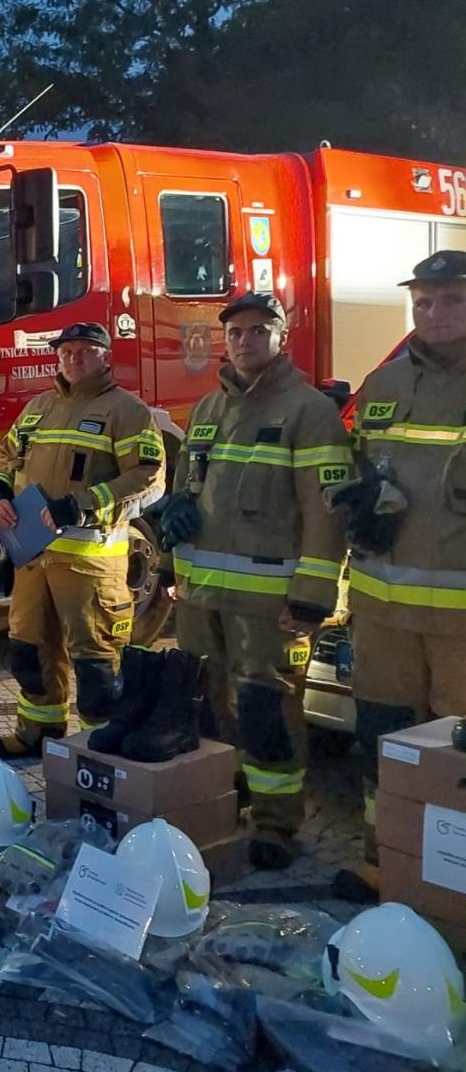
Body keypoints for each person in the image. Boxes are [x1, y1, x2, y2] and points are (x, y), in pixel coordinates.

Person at [162, 294, 351, 871]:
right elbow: (189, 483)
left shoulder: (308, 411)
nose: (245, 341)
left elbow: (328, 513)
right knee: (204, 704)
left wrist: (313, 598)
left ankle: (275, 823)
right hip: (201, 597)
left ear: (282, 337)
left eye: (258, 331)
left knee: (266, 708)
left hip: (269, 603)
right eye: (236, 332)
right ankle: (225, 794)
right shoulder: (206, 408)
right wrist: (176, 514)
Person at [331, 250, 466, 900]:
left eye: (450, 300)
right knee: (380, 739)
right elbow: (353, 466)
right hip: (382, 612)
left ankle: (451, 880)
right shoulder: (381, 387)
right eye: (423, 301)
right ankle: (384, 859)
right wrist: (359, 499)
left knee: (457, 759)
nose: (433, 313)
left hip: (459, 625)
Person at [0, 321, 165, 758]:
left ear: (105, 357)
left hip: (90, 563)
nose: (73, 358)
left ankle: (98, 748)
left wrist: (83, 502)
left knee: (96, 662)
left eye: (85, 351)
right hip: (34, 558)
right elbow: (8, 454)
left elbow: (149, 478)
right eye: (66, 352)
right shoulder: (38, 407)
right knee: (29, 650)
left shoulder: (127, 410)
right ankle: (38, 732)